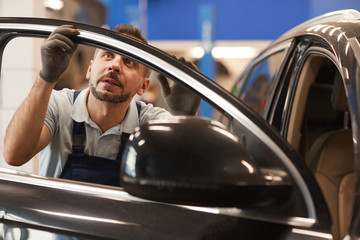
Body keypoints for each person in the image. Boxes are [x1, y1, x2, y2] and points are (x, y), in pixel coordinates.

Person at [3, 24, 200, 186]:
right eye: (107, 55)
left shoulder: (151, 123)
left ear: (143, 86)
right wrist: (46, 78)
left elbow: (190, 173)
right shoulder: (59, 104)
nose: (114, 65)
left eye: (129, 61)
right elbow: (14, 155)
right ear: (90, 69)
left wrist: (187, 119)